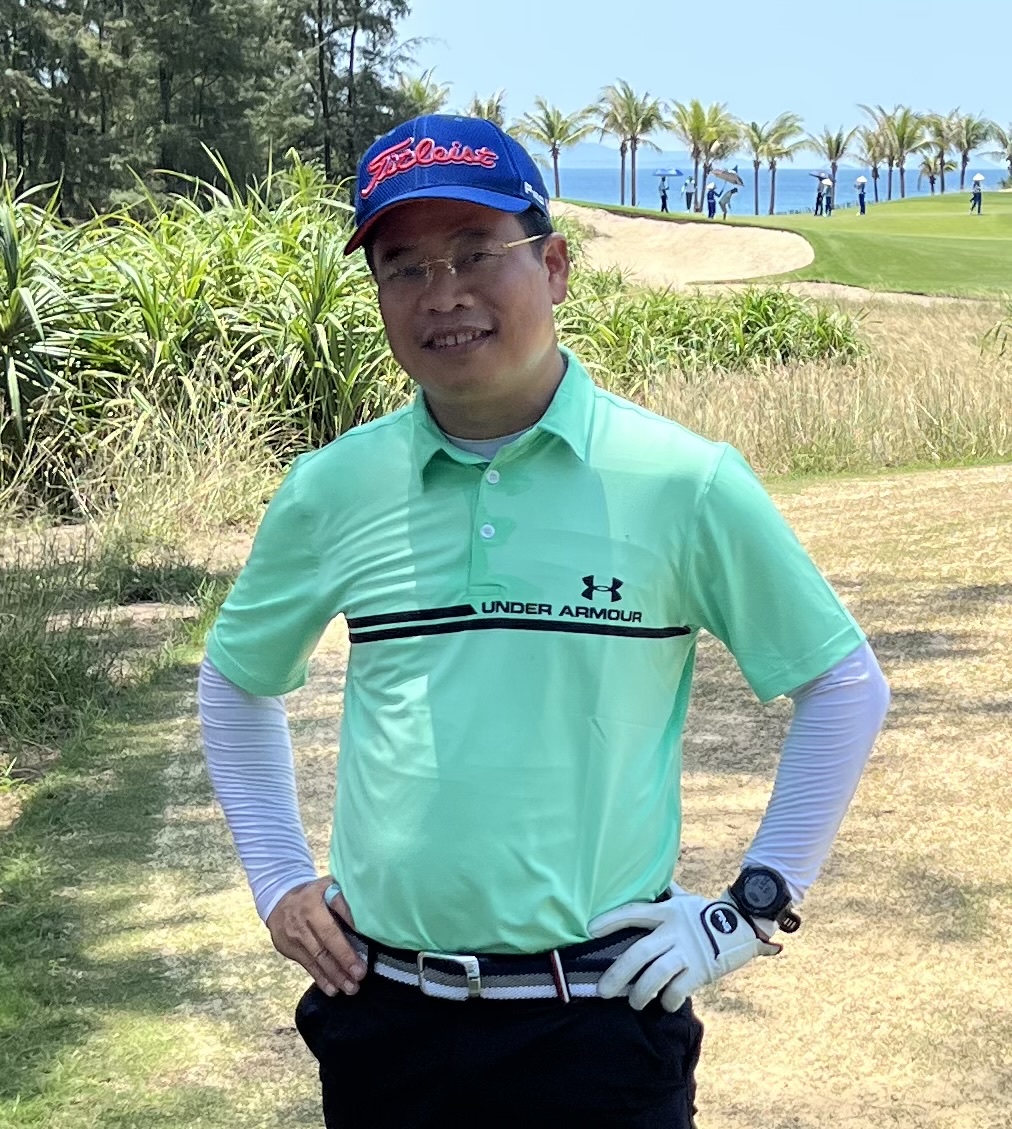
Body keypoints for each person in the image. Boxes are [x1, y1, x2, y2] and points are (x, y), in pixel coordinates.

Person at [199, 114, 890, 1128]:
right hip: (384, 1019)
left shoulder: (683, 480)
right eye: (403, 267)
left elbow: (842, 683)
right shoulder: (331, 489)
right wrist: (275, 878)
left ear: (555, 267)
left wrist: (752, 908)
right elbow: (236, 678)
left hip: (600, 1026)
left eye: (477, 252)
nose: (442, 293)